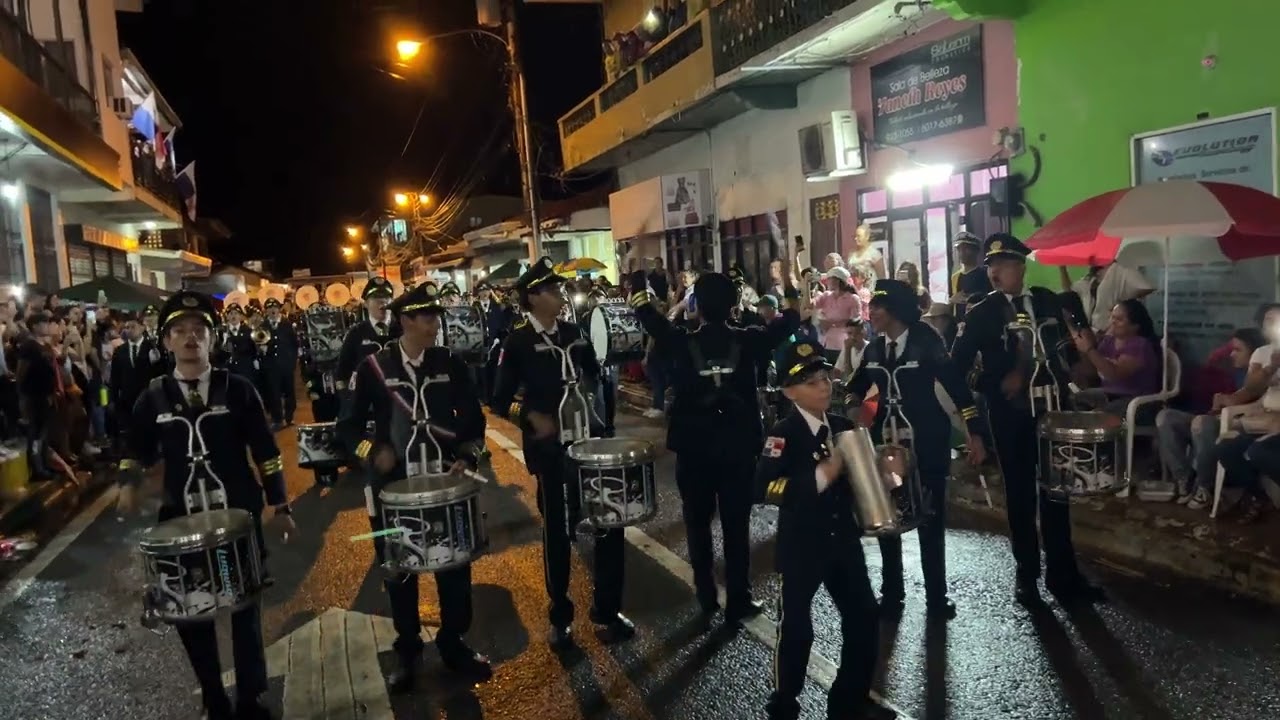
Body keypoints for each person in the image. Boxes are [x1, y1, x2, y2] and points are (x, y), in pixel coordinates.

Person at [117, 290, 295, 720]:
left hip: (237, 517)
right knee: (192, 614)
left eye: (199, 331)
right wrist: (128, 482)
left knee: (244, 608)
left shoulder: (239, 389)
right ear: (167, 342)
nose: (191, 339)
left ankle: (250, 696)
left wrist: (280, 503)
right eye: (180, 331)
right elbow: (133, 448)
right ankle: (214, 695)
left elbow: (265, 450)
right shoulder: (153, 396)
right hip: (182, 522)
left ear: (212, 340)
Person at [336, 282, 492, 691]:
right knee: (399, 570)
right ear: (405, 320)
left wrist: (467, 455)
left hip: (443, 485)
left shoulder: (450, 363)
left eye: (436, 316)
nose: (435, 324)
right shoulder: (373, 366)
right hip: (392, 492)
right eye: (427, 317)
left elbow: (473, 421)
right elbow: (348, 428)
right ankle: (407, 652)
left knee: (454, 565)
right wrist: (373, 453)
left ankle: (454, 643)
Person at [628, 264, 799, 627]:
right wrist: (791, 288)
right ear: (734, 305)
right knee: (737, 525)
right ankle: (739, 599)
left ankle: (706, 594)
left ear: (697, 306)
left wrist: (640, 284)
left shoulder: (679, 340)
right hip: (738, 448)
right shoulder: (750, 339)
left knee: (697, 521)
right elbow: (790, 321)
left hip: (694, 448)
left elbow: (648, 317)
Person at [950, 233, 1104, 608]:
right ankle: (1027, 577)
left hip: (1052, 408)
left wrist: (1076, 362)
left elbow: (1064, 346)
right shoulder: (981, 312)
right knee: (1020, 496)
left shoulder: (1047, 302)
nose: (994, 272)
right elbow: (956, 369)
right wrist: (993, 385)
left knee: (1058, 492)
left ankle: (1064, 576)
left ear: (1021, 267)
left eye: (1002, 265)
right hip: (1010, 414)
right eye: (990, 266)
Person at [489, 257, 632, 646]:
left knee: (608, 521)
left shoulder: (574, 332)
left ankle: (607, 609)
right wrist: (530, 416)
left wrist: (601, 394)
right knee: (556, 529)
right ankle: (560, 614)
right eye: (553, 290)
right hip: (550, 449)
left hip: (587, 443)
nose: (561, 295)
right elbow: (499, 399)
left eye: (561, 289)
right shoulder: (516, 341)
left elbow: (594, 376)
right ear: (532, 298)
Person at [755, 340, 893, 720]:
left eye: (825, 377)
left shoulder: (844, 427)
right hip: (803, 544)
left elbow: (869, 482)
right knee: (797, 627)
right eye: (811, 381)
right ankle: (784, 703)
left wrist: (890, 472)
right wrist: (821, 475)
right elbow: (764, 487)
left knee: (864, 616)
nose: (823, 386)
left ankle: (851, 698)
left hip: (843, 541)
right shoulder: (783, 433)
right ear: (788, 391)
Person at [844, 280, 986, 619]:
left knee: (930, 518)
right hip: (887, 447)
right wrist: (854, 409)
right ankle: (892, 594)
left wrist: (974, 433)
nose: (871, 312)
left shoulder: (927, 341)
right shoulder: (874, 349)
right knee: (888, 517)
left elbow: (958, 389)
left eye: (877, 306)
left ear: (895, 309)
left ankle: (937, 597)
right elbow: (854, 389)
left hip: (927, 444)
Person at [336, 277, 399, 396]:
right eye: (376, 298)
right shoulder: (356, 333)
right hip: (367, 401)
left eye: (387, 297)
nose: (383, 302)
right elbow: (343, 371)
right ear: (365, 303)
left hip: (398, 400)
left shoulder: (403, 330)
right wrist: (348, 400)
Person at [261, 297, 300, 428]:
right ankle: (277, 419)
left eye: (275, 307)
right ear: (266, 311)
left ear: (279, 309)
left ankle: (289, 417)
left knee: (290, 392)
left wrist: (292, 360)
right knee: (274, 393)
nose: (272, 310)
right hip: (271, 365)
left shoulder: (286, 324)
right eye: (269, 308)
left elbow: (294, 344)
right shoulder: (263, 326)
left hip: (286, 364)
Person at [950, 232, 992, 318]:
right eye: (959, 249)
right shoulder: (955, 277)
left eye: (966, 249)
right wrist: (952, 300)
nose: (962, 253)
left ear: (976, 251)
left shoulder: (986, 272)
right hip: (960, 323)